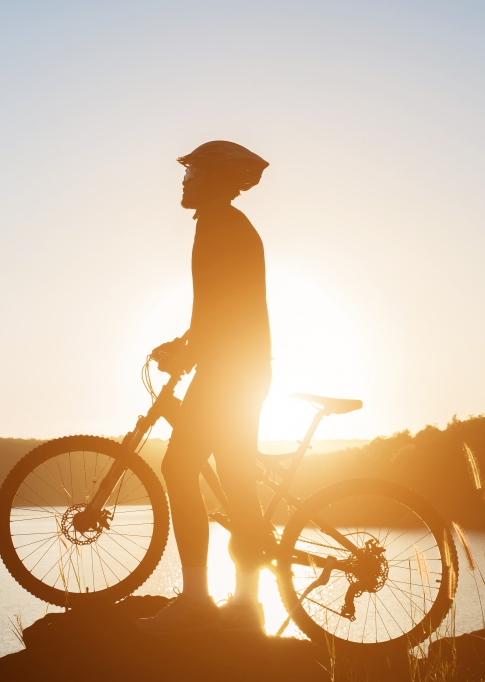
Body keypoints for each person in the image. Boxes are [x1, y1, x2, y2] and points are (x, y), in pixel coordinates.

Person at [136, 140, 273, 635]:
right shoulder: (227, 225)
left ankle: (197, 600)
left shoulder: (220, 227)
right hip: (244, 369)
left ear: (213, 180)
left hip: (228, 373)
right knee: (237, 481)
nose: (184, 178)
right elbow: (215, 308)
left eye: (192, 170)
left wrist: (188, 353)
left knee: (177, 466)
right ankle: (246, 605)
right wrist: (185, 344)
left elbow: (221, 311)